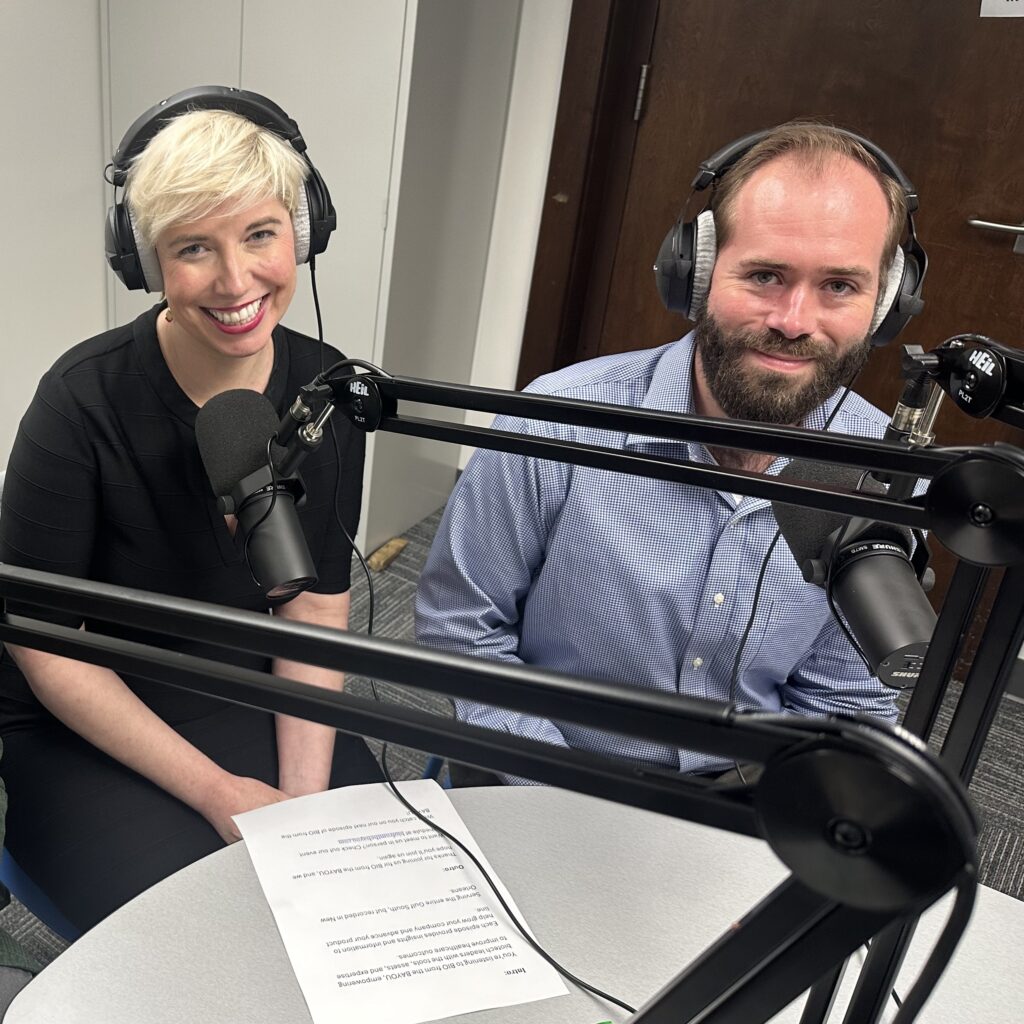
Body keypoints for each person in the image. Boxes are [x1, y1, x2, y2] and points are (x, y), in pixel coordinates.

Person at [416, 122, 920, 785]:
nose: (795, 320)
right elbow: (461, 630)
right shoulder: (558, 421)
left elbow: (844, 702)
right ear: (698, 272)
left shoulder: (880, 473)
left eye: (839, 287)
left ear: (884, 303)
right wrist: (564, 801)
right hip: (539, 778)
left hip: (747, 802)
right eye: (766, 275)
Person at [0, 90, 382, 931]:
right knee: (209, 945)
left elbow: (314, 604)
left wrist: (298, 806)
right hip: (91, 718)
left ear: (302, 232)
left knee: (368, 902)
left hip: (254, 687)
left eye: (260, 235)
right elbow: (46, 647)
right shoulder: (79, 404)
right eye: (194, 249)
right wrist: (221, 795)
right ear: (146, 262)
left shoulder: (326, 392)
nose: (236, 280)